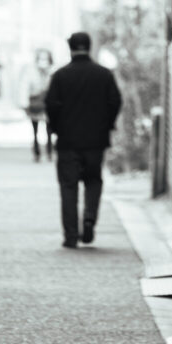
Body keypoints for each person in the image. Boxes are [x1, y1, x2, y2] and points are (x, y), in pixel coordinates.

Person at [43, 32, 121, 249]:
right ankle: (89, 218)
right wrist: (108, 124)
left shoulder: (60, 76)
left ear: (70, 48)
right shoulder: (104, 75)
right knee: (93, 181)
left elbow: (51, 105)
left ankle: (70, 235)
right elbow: (115, 101)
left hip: (68, 141)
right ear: (89, 46)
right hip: (95, 141)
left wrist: (57, 128)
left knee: (68, 187)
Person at [24, 48, 55, 162]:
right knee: (35, 130)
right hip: (35, 103)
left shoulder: (53, 72)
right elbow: (25, 87)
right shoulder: (31, 71)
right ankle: (37, 152)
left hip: (48, 104)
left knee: (49, 131)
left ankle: (49, 152)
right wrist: (25, 104)